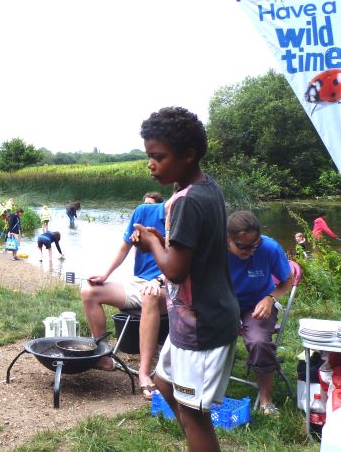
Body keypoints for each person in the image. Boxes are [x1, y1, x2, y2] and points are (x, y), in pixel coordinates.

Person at [134, 107, 240, 452]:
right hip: (187, 322)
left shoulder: (189, 201)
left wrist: (152, 243)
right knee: (165, 383)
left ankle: (199, 439)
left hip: (203, 328)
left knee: (196, 417)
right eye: (149, 156)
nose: (151, 164)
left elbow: (176, 270)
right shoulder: (201, 189)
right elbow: (186, 256)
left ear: (188, 155)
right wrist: (161, 241)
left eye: (159, 157)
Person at [80, 201, 166, 399]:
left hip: (169, 287)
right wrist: (104, 274)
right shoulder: (144, 212)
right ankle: (103, 357)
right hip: (138, 282)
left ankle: (144, 373)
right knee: (89, 291)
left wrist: (159, 279)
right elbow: (123, 248)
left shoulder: (186, 219)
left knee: (149, 295)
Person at [227, 211, 294, 416]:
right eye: (242, 246)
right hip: (225, 302)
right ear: (227, 239)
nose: (250, 251)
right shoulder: (214, 248)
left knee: (258, 342)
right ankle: (202, 387)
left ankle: (266, 400)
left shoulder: (270, 248)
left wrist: (270, 298)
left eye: (254, 245)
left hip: (258, 303)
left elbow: (288, 280)